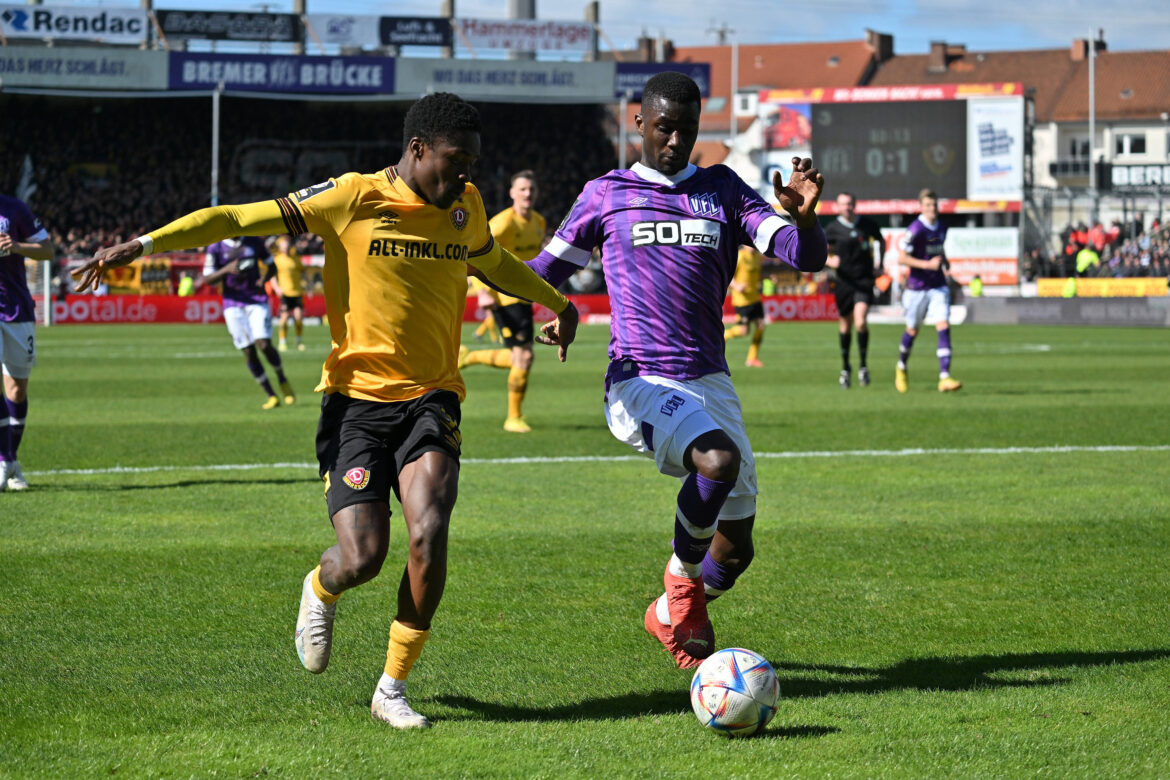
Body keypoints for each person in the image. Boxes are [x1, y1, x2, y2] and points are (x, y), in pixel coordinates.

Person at [72, 92, 580, 728]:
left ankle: (391, 689)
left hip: (432, 395)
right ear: (418, 149)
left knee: (429, 529)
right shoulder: (351, 197)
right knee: (362, 557)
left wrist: (557, 303)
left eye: (474, 163)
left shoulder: (467, 206)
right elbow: (234, 218)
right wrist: (144, 243)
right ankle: (321, 586)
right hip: (355, 405)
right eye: (456, 161)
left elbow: (494, 261)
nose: (466, 176)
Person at [520, 72, 826, 669]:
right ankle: (682, 585)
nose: (676, 140)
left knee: (736, 551)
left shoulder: (723, 190)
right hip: (640, 380)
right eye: (665, 128)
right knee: (716, 462)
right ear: (639, 123)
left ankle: (666, 611)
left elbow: (804, 257)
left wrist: (808, 218)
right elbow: (537, 272)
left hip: (710, 380)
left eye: (687, 129)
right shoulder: (605, 194)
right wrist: (556, 308)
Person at [458, 170, 546, 432]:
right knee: (524, 356)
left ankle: (469, 357)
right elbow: (474, 253)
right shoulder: (502, 223)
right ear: (512, 193)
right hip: (503, 295)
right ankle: (513, 418)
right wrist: (482, 291)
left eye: (531, 189)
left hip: (523, 295)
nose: (527, 194)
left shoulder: (538, 222)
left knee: (520, 357)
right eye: (522, 189)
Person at [196, 236, 296, 410]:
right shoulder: (216, 247)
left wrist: (263, 281)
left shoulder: (253, 242)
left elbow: (272, 265)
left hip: (257, 300)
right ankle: (271, 395)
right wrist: (226, 269)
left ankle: (281, 378)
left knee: (263, 344)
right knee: (249, 352)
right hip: (232, 303)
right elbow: (207, 279)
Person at [0, 193, 55, 491]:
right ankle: (4, 458)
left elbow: (48, 250)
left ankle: (11, 460)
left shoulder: (14, 208)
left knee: (17, 389)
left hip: (17, 308)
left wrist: (16, 246)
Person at [895, 189, 961, 393]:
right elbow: (901, 258)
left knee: (943, 324)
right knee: (912, 330)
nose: (932, 209)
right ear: (921, 207)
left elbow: (938, 248)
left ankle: (944, 377)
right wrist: (927, 265)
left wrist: (945, 261)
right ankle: (901, 367)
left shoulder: (942, 226)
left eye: (934, 205)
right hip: (917, 288)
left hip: (938, 285)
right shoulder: (915, 229)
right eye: (928, 205)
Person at [823, 192, 884, 389]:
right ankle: (846, 368)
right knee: (845, 326)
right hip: (843, 282)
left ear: (855, 205)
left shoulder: (867, 225)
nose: (847, 207)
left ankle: (864, 366)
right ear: (838, 207)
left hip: (864, 280)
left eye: (850, 204)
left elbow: (881, 241)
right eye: (843, 204)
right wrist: (829, 260)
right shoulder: (832, 228)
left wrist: (879, 264)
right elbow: (820, 250)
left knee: (860, 321)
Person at [723, 245, 767, 367]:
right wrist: (736, 286)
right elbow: (727, 274)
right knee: (743, 331)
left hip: (755, 298)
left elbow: (758, 274)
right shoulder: (740, 256)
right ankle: (724, 335)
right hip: (742, 300)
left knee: (761, 326)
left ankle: (752, 358)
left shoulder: (758, 256)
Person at [269, 234, 307, 352]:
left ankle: (299, 341)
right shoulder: (277, 260)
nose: (285, 249)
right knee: (284, 317)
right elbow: (272, 277)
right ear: (280, 248)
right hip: (285, 293)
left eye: (287, 246)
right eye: (283, 247)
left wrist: (309, 284)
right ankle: (282, 342)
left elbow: (303, 272)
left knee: (298, 317)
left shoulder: (296, 258)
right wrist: (277, 288)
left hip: (297, 292)